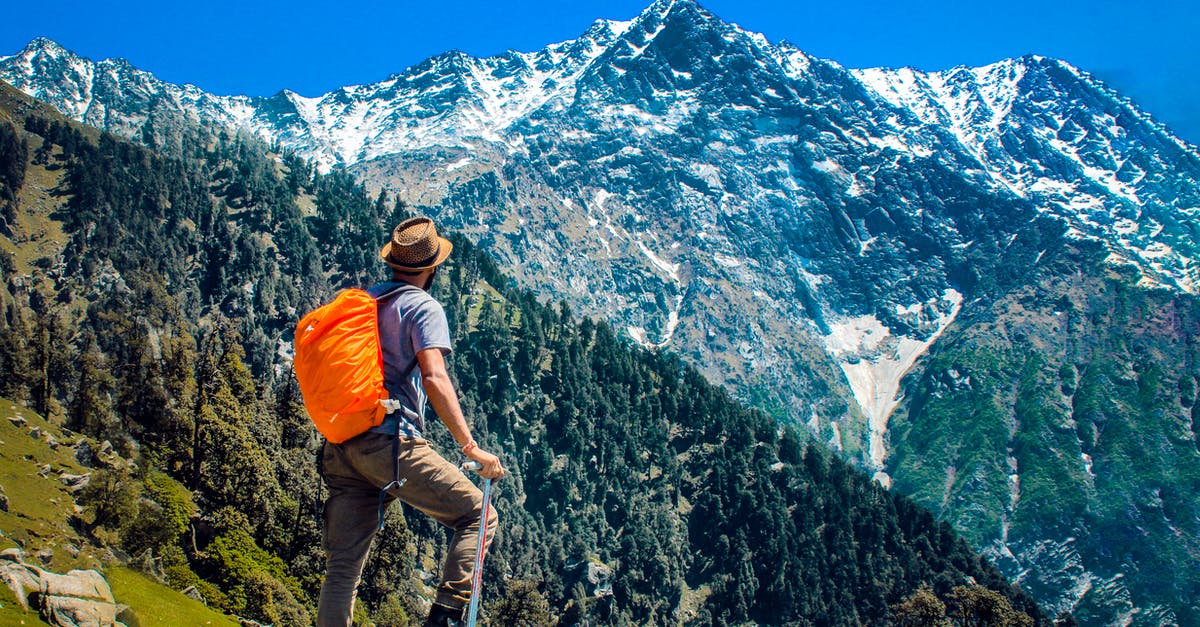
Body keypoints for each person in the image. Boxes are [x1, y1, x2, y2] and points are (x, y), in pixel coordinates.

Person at [317, 216, 505, 627]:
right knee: (479, 515)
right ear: (432, 267)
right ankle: (446, 617)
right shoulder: (422, 306)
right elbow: (435, 377)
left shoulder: (367, 302)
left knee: (343, 568)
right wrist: (471, 447)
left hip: (342, 443)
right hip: (390, 444)